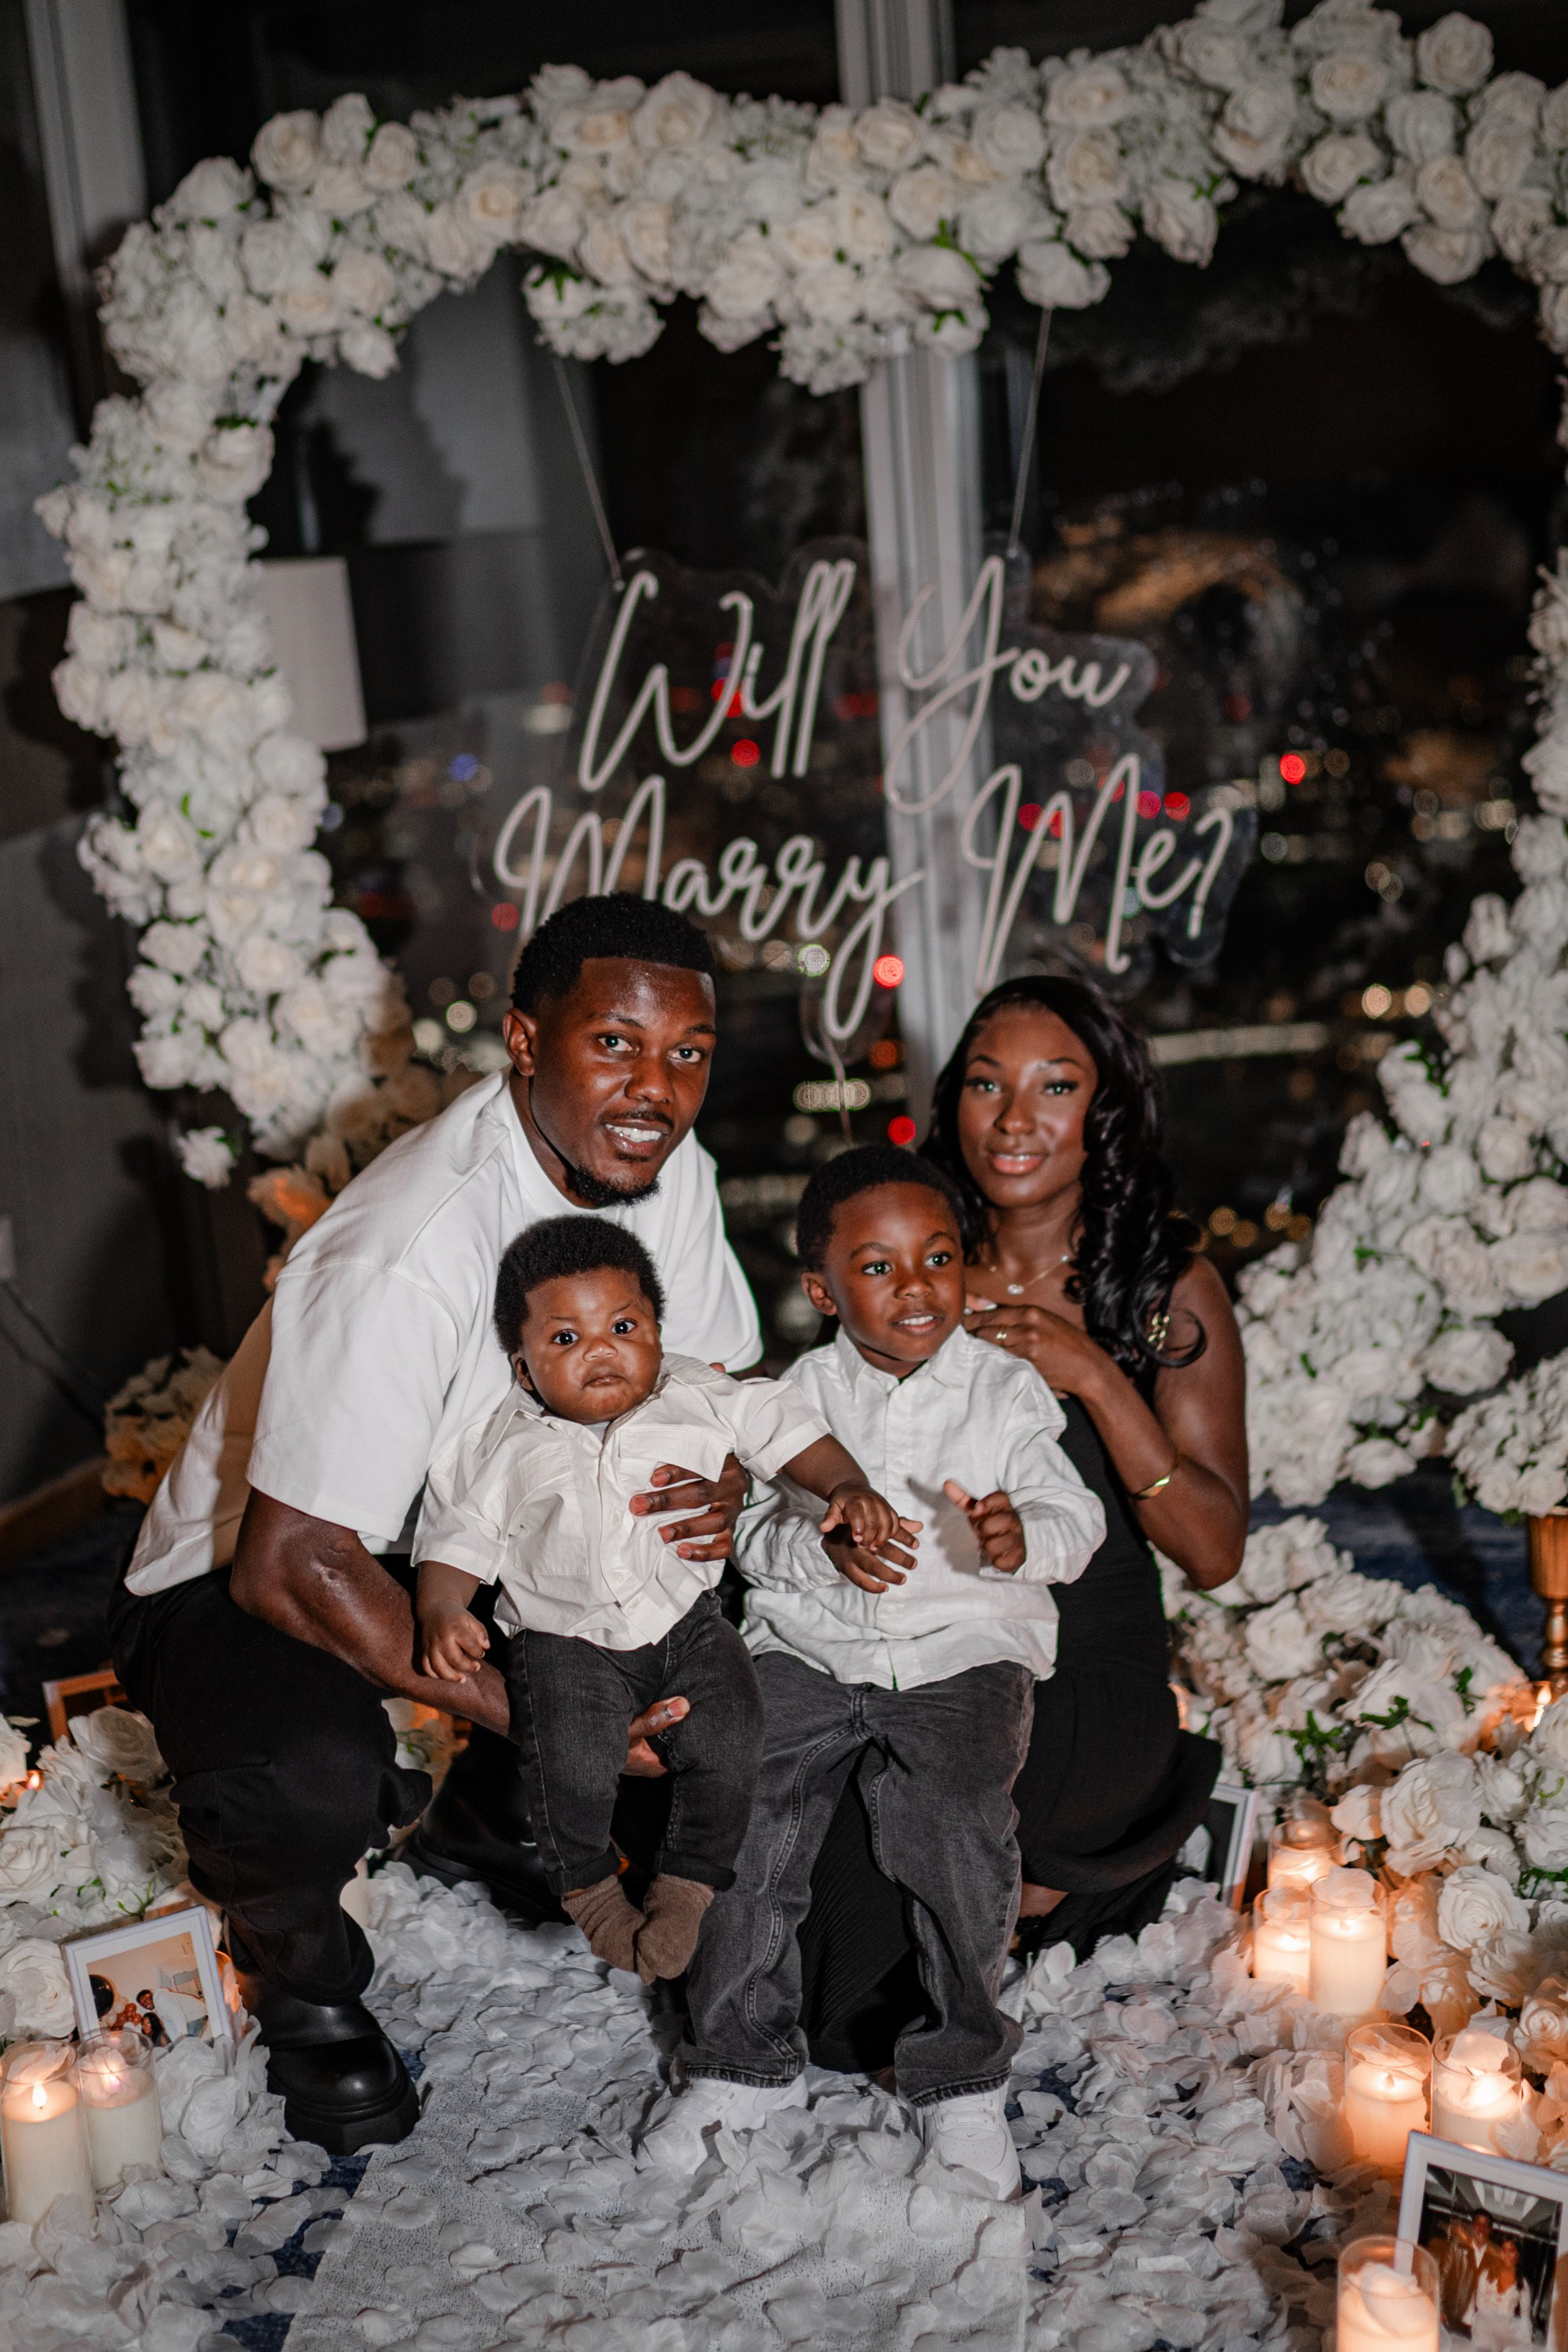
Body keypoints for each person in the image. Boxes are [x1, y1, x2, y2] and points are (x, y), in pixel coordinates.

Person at [108, 894, 764, 2151]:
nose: (657, 1087)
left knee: (715, 1635)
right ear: (524, 1041)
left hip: (489, 1521)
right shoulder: (405, 1247)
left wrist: (719, 1483)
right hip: (264, 1563)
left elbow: (714, 1386)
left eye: (687, 1052)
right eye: (616, 1044)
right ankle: (296, 1972)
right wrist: (561, 1725)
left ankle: (479, 1823)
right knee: (300, 1780)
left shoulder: (669, 1173)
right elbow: (292, 1565)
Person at [639, 1146, 1105, 2198]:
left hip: (961, 1650)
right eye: (881, 1266)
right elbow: (751, 1539)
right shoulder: (796, 1396)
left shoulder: (1007, 1390)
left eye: (937, 1258)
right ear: (824, 1289)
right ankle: (735, 2062)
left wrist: (1015, 1533)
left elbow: (1077, 1519)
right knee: (742, 1800)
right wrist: (822, 1548)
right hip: (812, 1643)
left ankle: (963, 2082)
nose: (917, 1287)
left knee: (952, 1820)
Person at [796, 976, 1243, 2067]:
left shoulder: (1165, 1290)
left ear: (1104, 1112)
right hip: (919, 1643)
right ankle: (1037, 1895)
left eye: (1055, 1087)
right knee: (834, 1985)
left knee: (918, 1816)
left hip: (1084, 1666)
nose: (1014, 1119)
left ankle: (1045, 1876)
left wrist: (1090, 1370)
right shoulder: (910, 1266)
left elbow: (1216, 1550)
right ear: (952, 1103)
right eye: (988, 1085)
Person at [415, 1214, 906, 1982]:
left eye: (621, 1324)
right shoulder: (506, 1445)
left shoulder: (694, 1393)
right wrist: (442, 1608)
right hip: (564, 1643)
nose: (600, 1350)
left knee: (733, 1729)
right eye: (564, 1340)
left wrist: (843, 1485)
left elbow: (781, 1425)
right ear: (522, 1369)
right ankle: (589, 1890)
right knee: (568, 1759)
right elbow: (458, 1537)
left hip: (685, 1626)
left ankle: (687, 1885)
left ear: (655, 1331)